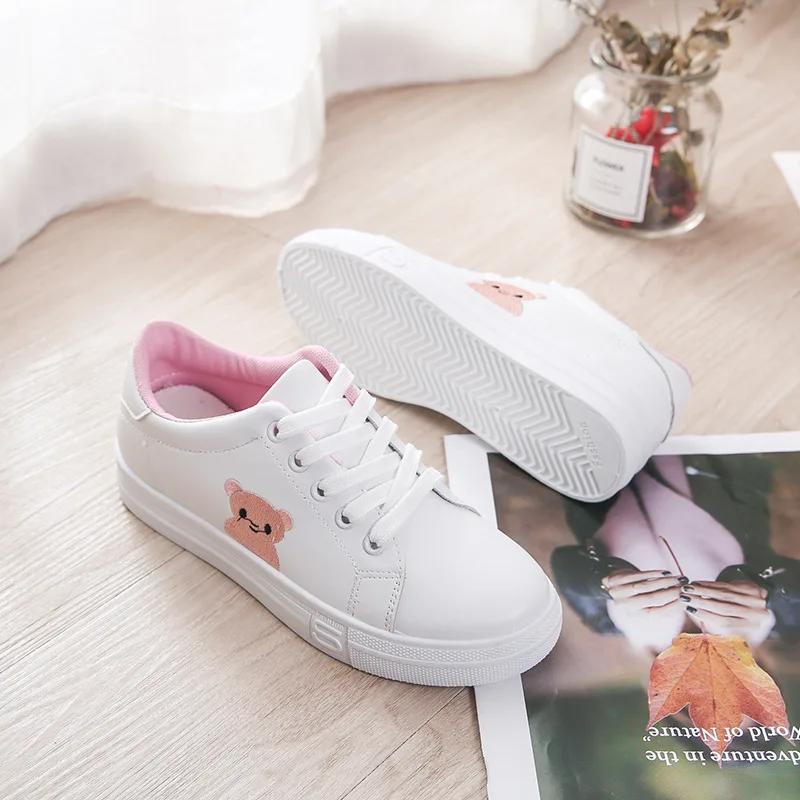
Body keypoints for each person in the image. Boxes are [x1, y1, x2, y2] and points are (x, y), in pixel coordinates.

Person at [551, 453, 800, 652]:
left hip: (592, 463)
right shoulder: (782, 621)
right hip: (703, 445)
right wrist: (765, 591)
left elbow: (565, 565)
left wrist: (606, 581)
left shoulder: (610, 624)